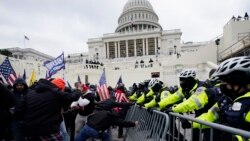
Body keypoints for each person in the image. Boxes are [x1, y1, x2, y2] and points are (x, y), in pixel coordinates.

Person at [193, 56, 250, 141]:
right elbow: (209, 116)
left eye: (225, 81)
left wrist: (235, 139)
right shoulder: (225, 100)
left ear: (239, 81)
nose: (221, 85)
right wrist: (191, 123)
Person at [14, 78, 81, 141]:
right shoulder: (55, 92)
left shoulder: (29, 93)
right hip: (48, 132)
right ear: (59, 88)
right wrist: (79, 90)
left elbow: (18, 111)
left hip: (29, 131)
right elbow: (73, 97)